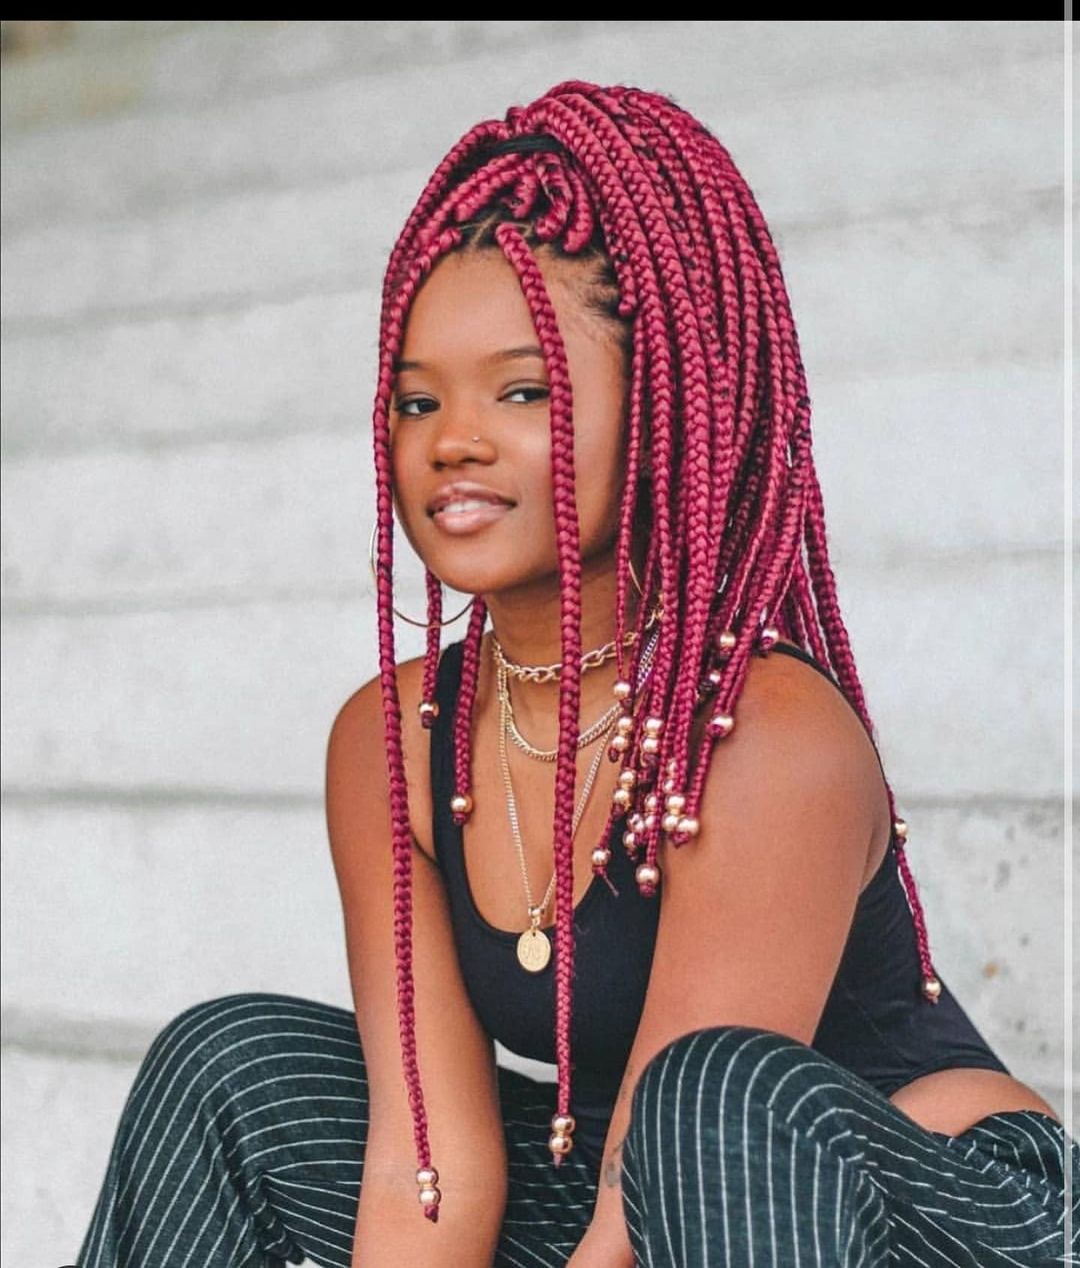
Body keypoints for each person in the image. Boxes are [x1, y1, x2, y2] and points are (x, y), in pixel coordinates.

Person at [74, 80, 1076, 1268]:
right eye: (416, 398)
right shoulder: (394, 738)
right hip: (625, 1180)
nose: (454, 438)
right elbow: (426, 1171)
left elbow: (653, 1205)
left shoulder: (761, 730)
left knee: (710, 1106)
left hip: (928, 1212)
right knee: (229, 1067)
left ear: (660, 404)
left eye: (524, 387)